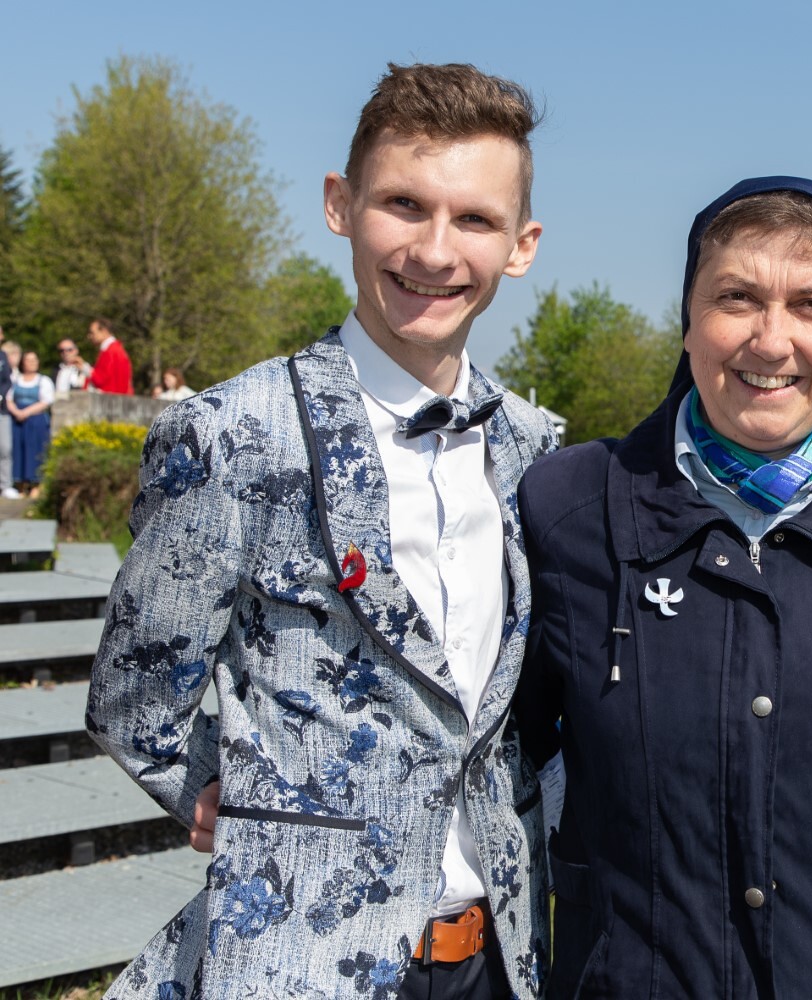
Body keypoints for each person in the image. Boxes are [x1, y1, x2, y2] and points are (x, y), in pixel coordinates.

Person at [88, 62, 553, 1000]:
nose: (434, 250)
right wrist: (247, 797)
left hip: (505, 961)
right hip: (298, 960)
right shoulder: (233, 433)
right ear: (341, 204)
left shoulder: (536, 448)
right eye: (403, 204)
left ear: (521, 246)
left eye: (474, 219)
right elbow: (134, 703)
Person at [514, 177, 812, 998]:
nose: (771, 341)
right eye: (737, 298)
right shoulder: (568, 510)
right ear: (688, 318)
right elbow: (498, 753)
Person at [6, 350, 54, 499]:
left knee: (35, 452)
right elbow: (8, 398)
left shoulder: (43, 380)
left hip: (35, 420)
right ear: (23, 362)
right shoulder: (15, 379)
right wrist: (17, 412)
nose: (32, 363)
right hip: (17, 420)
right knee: (17, 451)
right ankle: (19, 484)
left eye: (34, 360)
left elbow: (46, 401)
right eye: (28, 360)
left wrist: (26, 412)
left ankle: (35, 485)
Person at [84, 317, 133, 393]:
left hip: (111, 398)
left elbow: (100, 380)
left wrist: (83, 367)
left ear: (104, 331)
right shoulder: (115, 349)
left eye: (92, 333)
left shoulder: (111, 351)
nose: (90, 336)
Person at [0, 329, 16, 500]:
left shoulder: (2, 355)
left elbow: (7, 381)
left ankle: (5, 485)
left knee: (5, 448)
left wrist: (0, 396)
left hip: (1, 409)